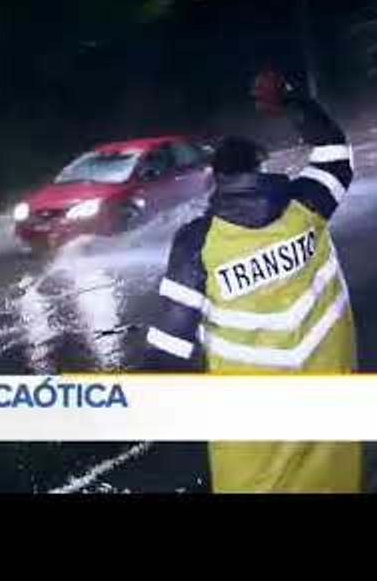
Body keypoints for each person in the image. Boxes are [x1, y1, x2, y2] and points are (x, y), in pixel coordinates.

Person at [144, 82, 360, 493]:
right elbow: (335, 151)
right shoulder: (306, 206)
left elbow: (170, 349)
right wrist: (293, 101)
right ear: (262, 168)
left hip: (253, 447)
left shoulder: (198, 244)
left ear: (215, 180)